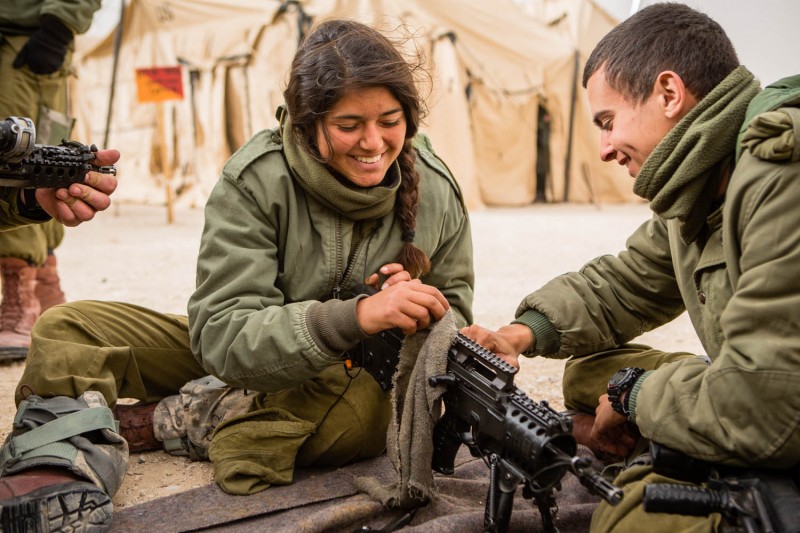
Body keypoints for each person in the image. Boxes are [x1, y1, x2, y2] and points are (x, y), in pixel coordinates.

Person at [0, 18, 474, 532]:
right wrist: (351, 316)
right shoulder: (256, 180)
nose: (373, 142)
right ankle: (54, 475)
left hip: (350, 384)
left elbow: (453, 321)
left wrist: (412, 316)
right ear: (307, 123)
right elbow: (222, 336)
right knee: (68, 331)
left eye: (390, 120)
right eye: (348, 125)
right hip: (250, 357)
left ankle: (170, 419)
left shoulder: (437, 190)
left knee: (359, 417)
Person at [463, 3, 800, 531]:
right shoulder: (700, 179)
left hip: (771, 405)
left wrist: (633, 395)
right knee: (586, 375)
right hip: (760, 386)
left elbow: (767, 403)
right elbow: (626, 284)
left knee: (626, 517)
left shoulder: (779, 175)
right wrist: (520, 334)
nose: (603, 150)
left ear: (668, 94)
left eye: (608, 122)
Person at [0, 0, 104, 359]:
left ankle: (20, 299)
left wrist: (59, 25)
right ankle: (45, 288)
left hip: (25, 39)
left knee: (18, 159)